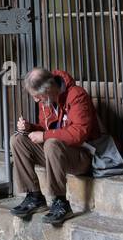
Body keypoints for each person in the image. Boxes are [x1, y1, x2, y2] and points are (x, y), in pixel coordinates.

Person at [8, 67, 102, 227]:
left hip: (82, 156)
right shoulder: (47, 100)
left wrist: (44, 136)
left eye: (37, 96)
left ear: (48, 89)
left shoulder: (77, 95)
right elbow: (46, 129)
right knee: (17, 140)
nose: (36, 100)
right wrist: (30, 128)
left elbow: (79, 133)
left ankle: (61, 202)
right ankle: (35, 197)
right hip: (56, 153)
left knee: (51, 143)